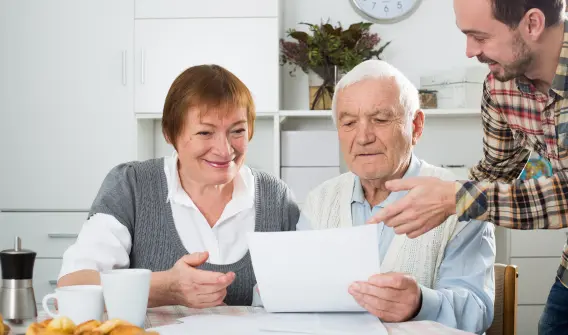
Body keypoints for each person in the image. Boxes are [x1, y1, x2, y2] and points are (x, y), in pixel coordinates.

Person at [367, 1, 568, 334]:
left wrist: (454, 198)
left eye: (480, 37)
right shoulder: (499, 87)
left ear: (532, 24)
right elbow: (495, 170)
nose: (469, 51)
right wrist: (432, 203)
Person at [57, 64, 300, 308]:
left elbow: (302, 293)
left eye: (237, 131)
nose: (225, 150)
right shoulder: (133, 186)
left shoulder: (276, 198)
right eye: (205, 133)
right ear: (169, 133)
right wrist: (166, 288)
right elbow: (72, 287)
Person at [296, 59, 496, 334]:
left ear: (416, 127)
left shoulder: (458, 199)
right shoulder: (319, 200)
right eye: (349, 122)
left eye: (380, 119)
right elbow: (294, 294)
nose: (363, 137)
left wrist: (420, 304)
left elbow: (477, 310)